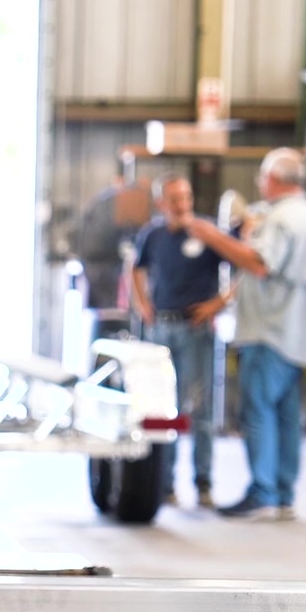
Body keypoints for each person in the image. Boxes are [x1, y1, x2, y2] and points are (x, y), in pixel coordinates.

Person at [185, 148, 306, 521]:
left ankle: (262, 490)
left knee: (258, 413)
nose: (259, 183)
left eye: (263, 176)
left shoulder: (281, 219)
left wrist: (212, 236)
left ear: (276, 178)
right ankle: (282, 492)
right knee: (286, 417)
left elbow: (260, 263)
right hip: (297, 334)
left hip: (270, 331)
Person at [130, 175, 232, 507]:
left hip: (196, 330)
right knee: (162, 409)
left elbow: (243, 265)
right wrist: (143, 303)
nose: (182, 205)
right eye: (175, 199)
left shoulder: (205, 231)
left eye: (186, 197)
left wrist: (218, 303)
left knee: (199, 409)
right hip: (162, 329)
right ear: (162, 203)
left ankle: (203, 483)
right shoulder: (153, 235)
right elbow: (136, 268)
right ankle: (166, 484)